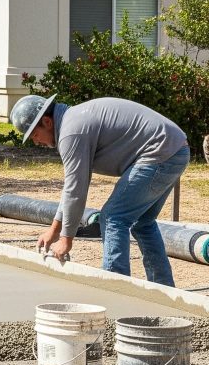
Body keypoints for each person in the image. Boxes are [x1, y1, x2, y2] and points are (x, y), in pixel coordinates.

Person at [10, 94, 189, 286]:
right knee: (142, 222)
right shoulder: (74, 121)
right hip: (174, 150)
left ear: (47, 121)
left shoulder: (71, 133)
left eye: (35, 135)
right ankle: (164, 289)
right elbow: (72, 187)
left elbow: (75, 191)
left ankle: (114, 288)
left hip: (159, 153)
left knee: (113, 217)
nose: (36, 142)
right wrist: (55, 229)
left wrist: (65, 239)